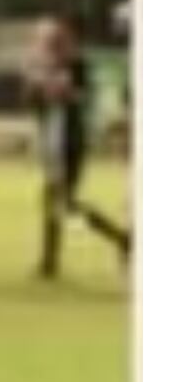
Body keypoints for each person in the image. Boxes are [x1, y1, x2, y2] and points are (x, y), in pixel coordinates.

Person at [23, 14, 130, 278]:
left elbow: (80, 96)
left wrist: (61, 90)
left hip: (69, 143)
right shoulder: (39, 68)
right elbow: (32, 100)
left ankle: (122, 239)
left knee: (62, 202)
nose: (42, 44)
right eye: (41, 39)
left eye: (49, 39)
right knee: (56, 202)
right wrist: (40, 86)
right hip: (52, 142)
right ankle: (51, 262)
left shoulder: (75, 65)